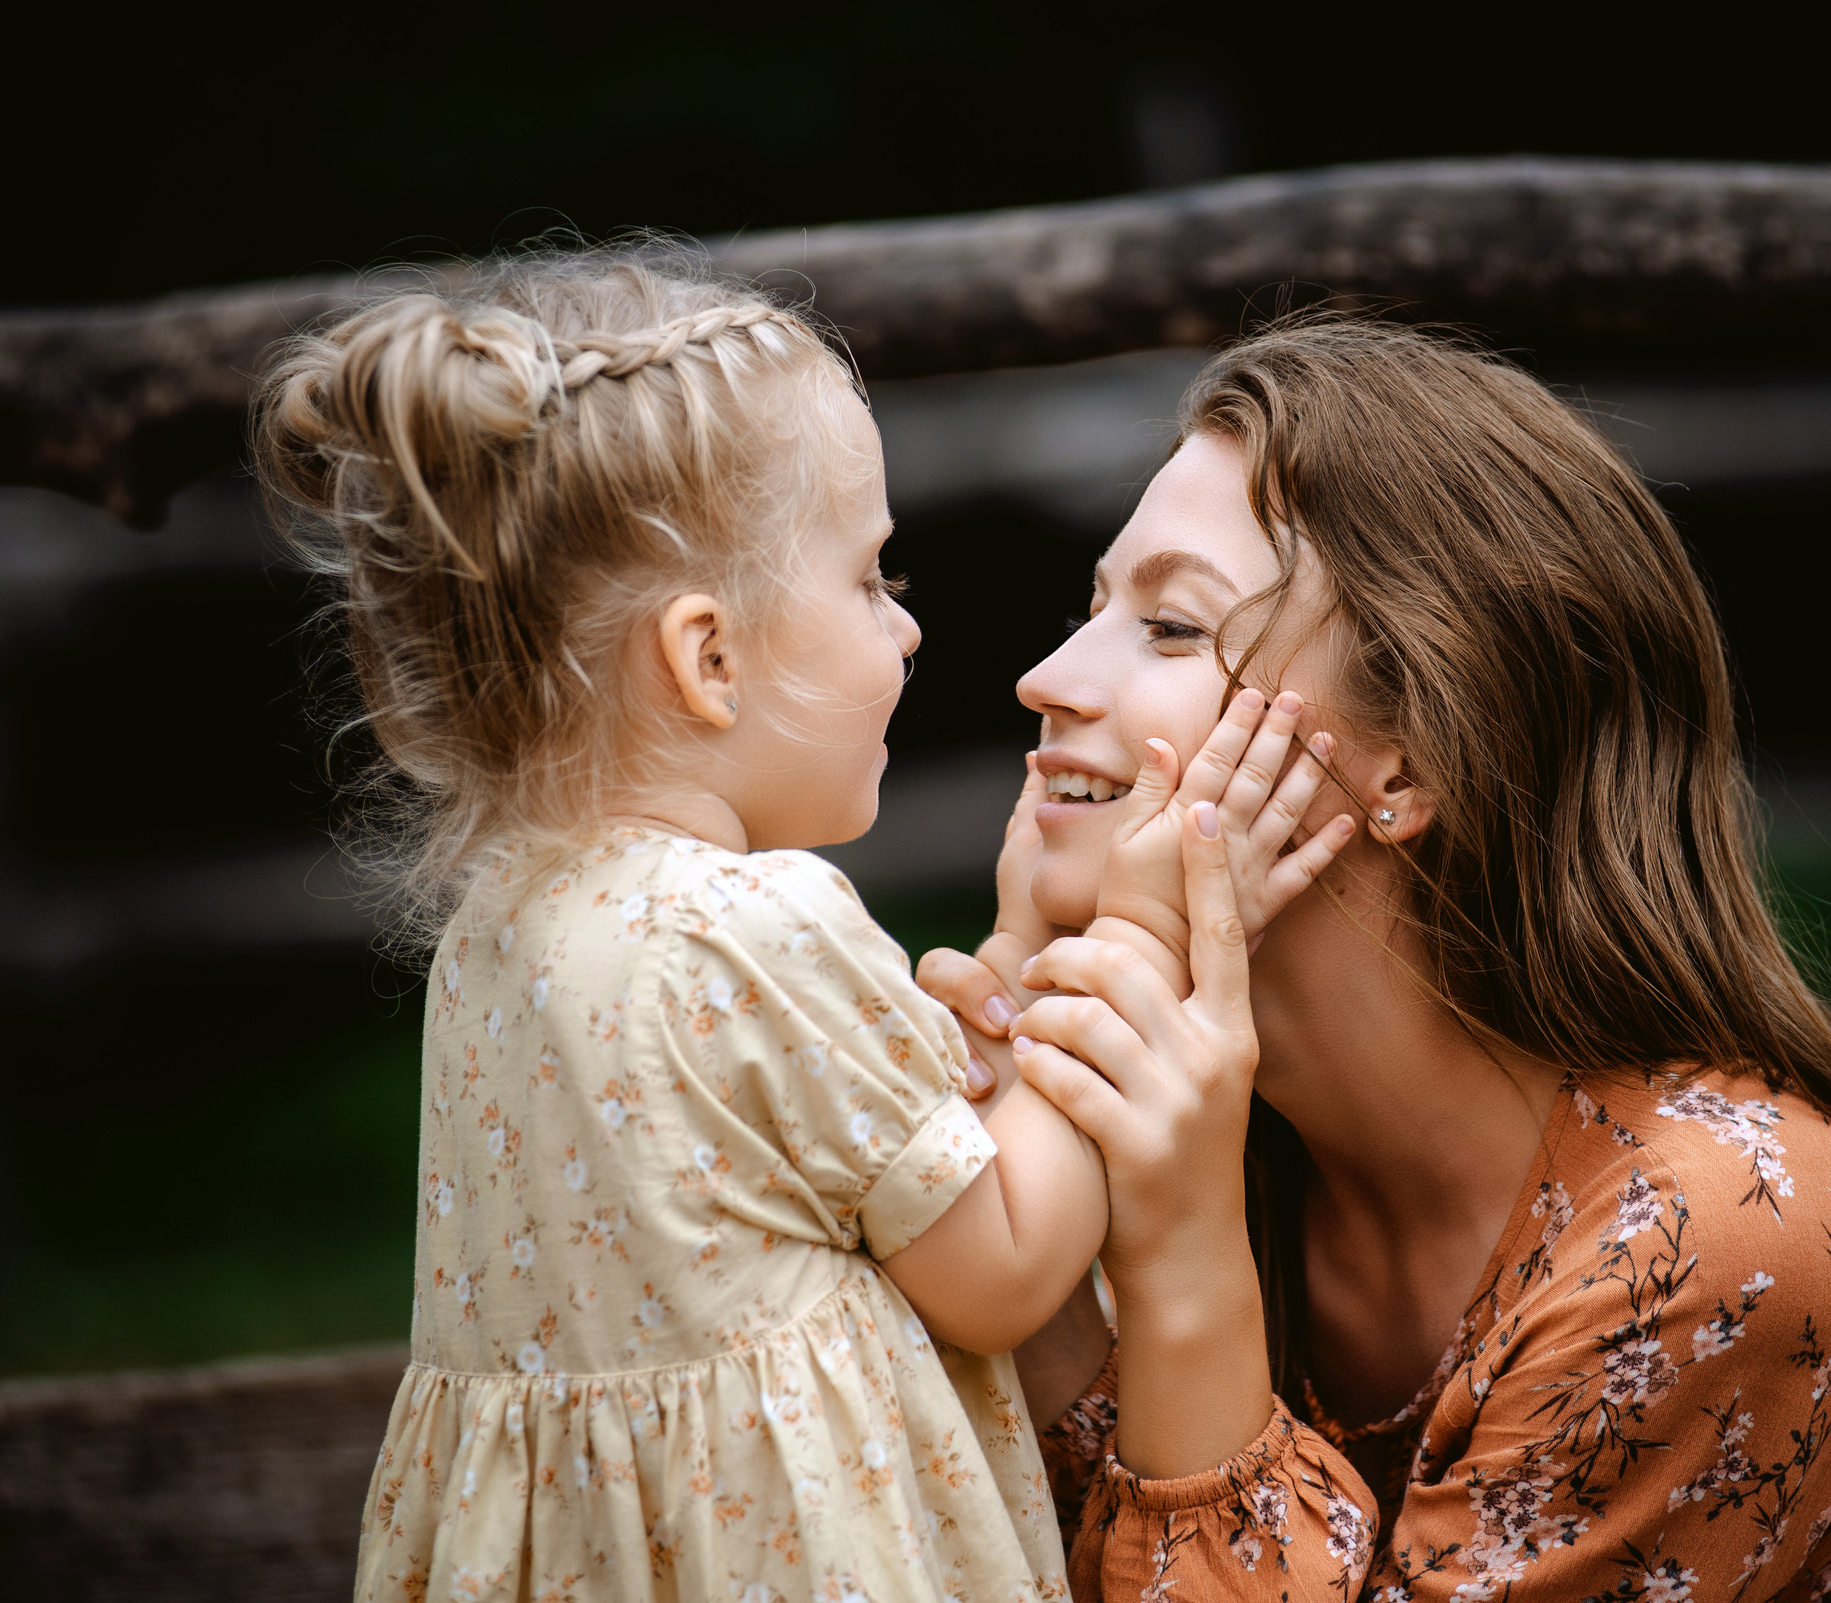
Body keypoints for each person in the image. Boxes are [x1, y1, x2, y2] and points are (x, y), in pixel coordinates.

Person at [923, 315, 1831, 1601]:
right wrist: (1019, 1194)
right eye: (1087, 610)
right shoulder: (1201, 1145)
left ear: (1412, 760)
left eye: (1171, 627)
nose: (1045, 676)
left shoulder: (1720, 1239)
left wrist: (1181, 1259)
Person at [254, 252, 1342, 1603]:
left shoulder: (506, 932)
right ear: (707, 660)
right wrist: (1132, 941)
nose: (909, 628)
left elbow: (848, 1171)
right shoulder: (757, 924)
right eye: (871, 577)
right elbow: (999, 1265)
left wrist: (1004, 954)